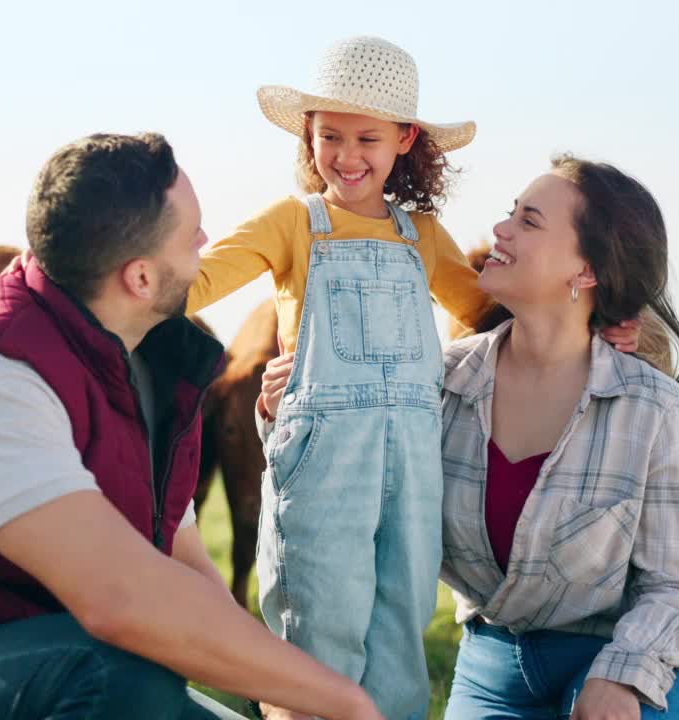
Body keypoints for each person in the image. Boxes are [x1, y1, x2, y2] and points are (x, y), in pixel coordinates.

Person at [0, 133, 384, 720]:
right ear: (141, 279)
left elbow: (184, 570)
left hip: (59, 670)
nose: (207, 243)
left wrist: (286, 703)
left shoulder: (151, 366)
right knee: (119, 679)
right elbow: (120, 600)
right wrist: (350, 705)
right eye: (191, 235)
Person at [184, 36, 638, 719]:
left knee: (400, 622)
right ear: (307, 136)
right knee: (319, 626)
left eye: (367, 137)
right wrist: (116, 264)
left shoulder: (420, 235)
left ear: (405, 139)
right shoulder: (291, 223)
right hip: (322, 463)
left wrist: (596, 321)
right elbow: (195, 284)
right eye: (328, 134)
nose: (345, 154)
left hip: (413, 465)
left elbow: (490, 313)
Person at [260, 156, 679, 719]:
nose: (501, 230)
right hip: (495, 667)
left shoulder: (653, 408)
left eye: (529, 222)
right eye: (512, 214)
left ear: (586, 272)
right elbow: (343, 499)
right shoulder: (431, 384)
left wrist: (622, 679)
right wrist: (296, 411)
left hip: (633, 654)